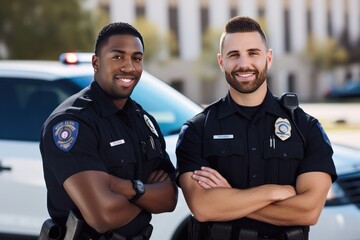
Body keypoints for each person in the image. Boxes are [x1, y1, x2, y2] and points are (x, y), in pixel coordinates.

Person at [176, 16, 337, 240]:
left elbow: (309, 211)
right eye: (234, 55)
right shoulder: (197, 130)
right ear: (222, 62)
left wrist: (229, 198)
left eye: (253, 53)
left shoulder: (305, 127)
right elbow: (203, 207)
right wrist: (273, 193)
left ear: (268, 58)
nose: (244, 64)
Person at [40, 22, 178, 240]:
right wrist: (147, 192)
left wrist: (126, 187)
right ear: (96, 62)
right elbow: (102, 215)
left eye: (137, 58)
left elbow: (169, 199)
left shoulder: (143, 121)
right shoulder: (73, 122)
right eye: (118, 57)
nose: (129, 67)